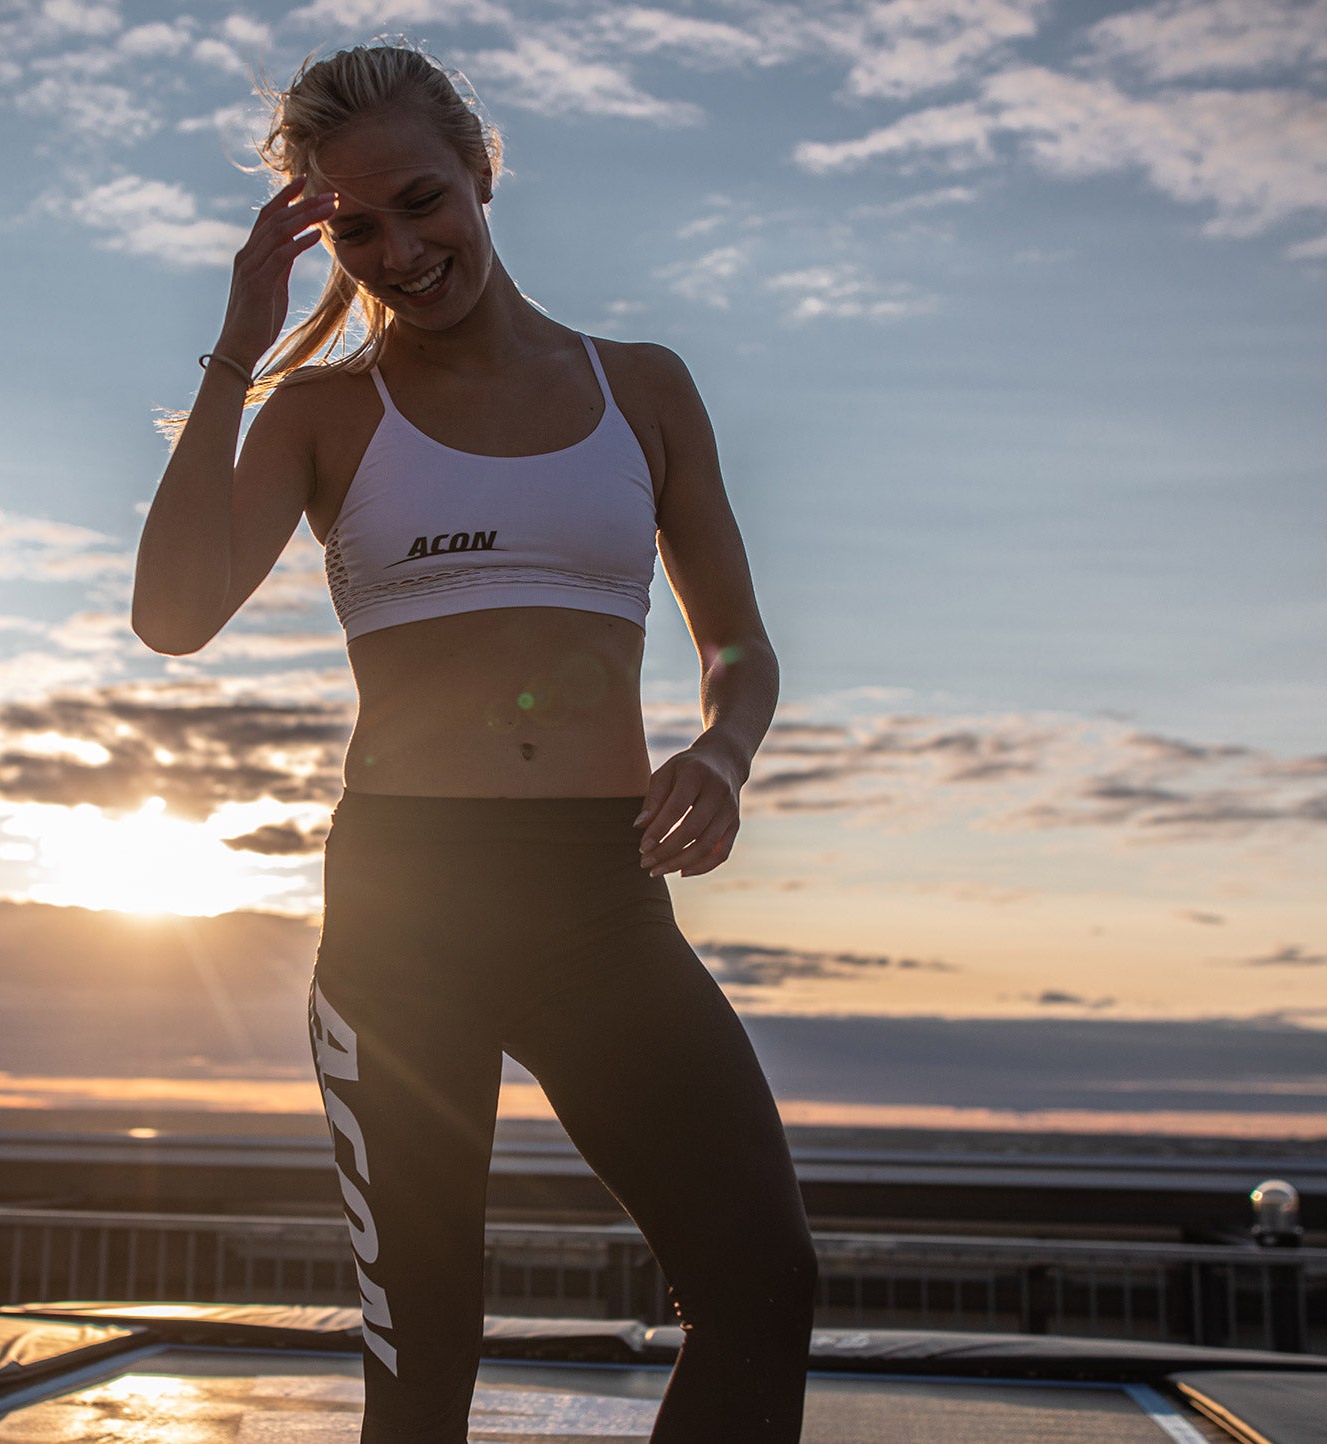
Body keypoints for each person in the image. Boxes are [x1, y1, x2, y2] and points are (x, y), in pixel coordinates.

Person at [131, 42, 817, 1443]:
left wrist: (723, 755)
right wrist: (238, 344)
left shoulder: (645, 388)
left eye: (423, 201)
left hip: (599, 901)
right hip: (406, 915)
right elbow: (174, 616)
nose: (401, 249)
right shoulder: (325, 413)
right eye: (357, 227)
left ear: (484, 172)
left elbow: (738, 647)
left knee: (764, 1291)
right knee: (424, 1357)